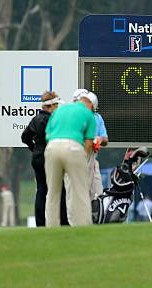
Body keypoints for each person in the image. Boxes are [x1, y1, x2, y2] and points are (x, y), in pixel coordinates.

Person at [44, 94, 96, 227]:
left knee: (53, 191)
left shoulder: (60, 109)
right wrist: (80, 160)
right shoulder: (89, 114)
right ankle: (83, 226)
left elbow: (48, 134)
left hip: (52, 147)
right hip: (74, 147)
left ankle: (51, 227)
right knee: (80, 190)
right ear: (91, 105)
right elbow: (89, 143)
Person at [21, 91, 68, 226]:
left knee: (41, 189)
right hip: (50, 156)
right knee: (61, 189)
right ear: (51, 105)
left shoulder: (35, 119)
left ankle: (40, 223)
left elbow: (25, 137)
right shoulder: (52, 119)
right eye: (56, 105)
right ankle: (64, 221)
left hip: (37, 157)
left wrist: (34, 149)